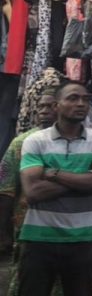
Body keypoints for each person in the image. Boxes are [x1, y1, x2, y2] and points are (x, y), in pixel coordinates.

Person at [18, 81, 92, 296]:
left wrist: (54, 174)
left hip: (82, 240)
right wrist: (85, 178)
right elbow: (33, 192)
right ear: (56, 106)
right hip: (39, 239)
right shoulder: (35, 141)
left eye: (85, 99)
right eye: (72, 98)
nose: (81, 103)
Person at [0, 89, 59, 296]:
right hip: (28, 223)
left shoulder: (82, 142)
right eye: (41, 107)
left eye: (50, 106)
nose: (45, 111)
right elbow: (5, 188)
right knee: (25, 276)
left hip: (68, 226)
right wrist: (4, 231)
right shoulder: (21, 143)